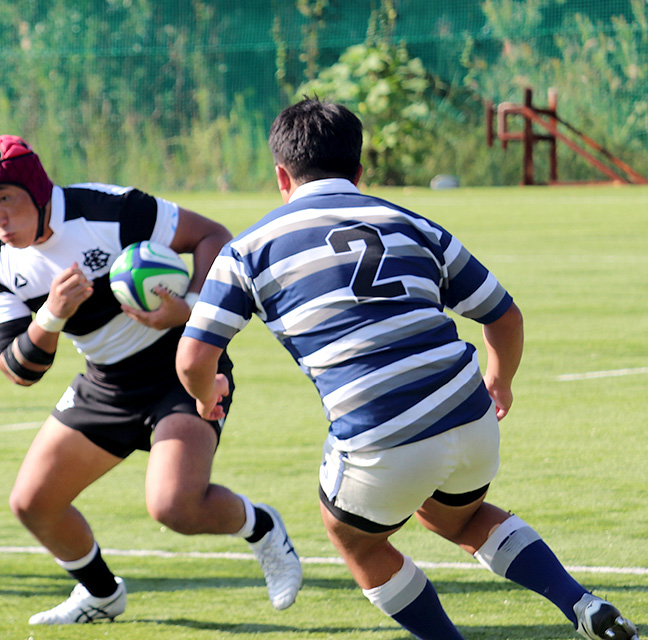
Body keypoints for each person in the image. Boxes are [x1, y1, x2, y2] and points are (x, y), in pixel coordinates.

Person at [176, 98, 640, 640]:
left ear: (282, 176)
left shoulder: (247, 250)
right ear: (359, 171)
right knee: (459, 517)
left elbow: (193, 358)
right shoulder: (411, 223)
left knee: (354, 539)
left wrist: (206, 395)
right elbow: (504, 316)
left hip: (380, 434)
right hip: (469, 414)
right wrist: (499, 381)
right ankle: (581, 603)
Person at [0, 134, 302, 625]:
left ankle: (262, 526)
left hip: (179, 370)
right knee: (33, 504)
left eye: (6, 199)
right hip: (106, 384)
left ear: (38, 191)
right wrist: (52, 315)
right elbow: (18, 370)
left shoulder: (110, 210)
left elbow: (212, 236)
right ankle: (101, 595)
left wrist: (190, 308)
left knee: (174, 506)